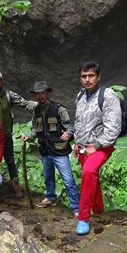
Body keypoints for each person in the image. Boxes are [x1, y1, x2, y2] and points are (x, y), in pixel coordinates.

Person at [74, 61, 122, 235]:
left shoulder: (108, 96)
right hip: (83, 147)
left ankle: (84, 218)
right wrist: (77, 143)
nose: (87, 80)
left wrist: (97, 145)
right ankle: (99, 212)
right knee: (92, 179)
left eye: (91, 76)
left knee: (88, 172)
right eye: (84, 76)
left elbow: (114, 127)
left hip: (101, 146)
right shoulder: (80, 96)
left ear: (98, 77)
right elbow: (79, 122)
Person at [21, 80, 80, 216]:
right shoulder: (36, 110)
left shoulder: (59, 109)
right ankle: (51, 198)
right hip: (45, 150)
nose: (39, 96)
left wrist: (69, 133)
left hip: (59, 151)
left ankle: (76, 208)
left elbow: (70, 126)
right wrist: (29, 137)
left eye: (42, 93)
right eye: (37, 94)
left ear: (48, 93)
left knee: (68, 180)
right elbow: (37, 129)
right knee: (48, 177)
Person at [0, 70, 37, 198]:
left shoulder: (9, 95)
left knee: (9, 160)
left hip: (5, 133)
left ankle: (15, 184)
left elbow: (24, 103)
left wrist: (40, 104)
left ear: (1, 82)